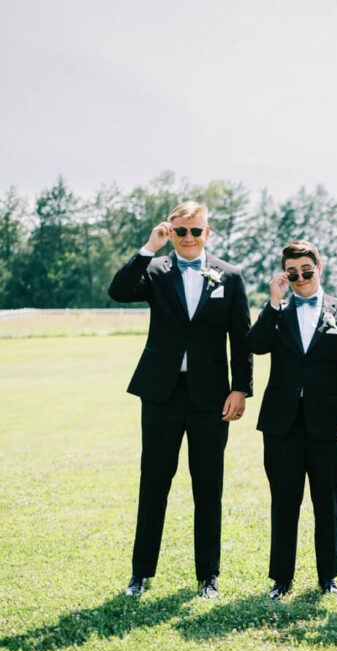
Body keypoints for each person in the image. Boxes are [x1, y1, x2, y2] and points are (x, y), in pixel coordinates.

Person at [108, 201, 252, 598]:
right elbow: (118, 291)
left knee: (208, 485)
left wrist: (240, 388)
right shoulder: (154, 270)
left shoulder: (231, 276)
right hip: (161, 393)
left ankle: (208, 576)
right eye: (181, 231)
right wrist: (148, 248)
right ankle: (140, 574)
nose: (189, 238)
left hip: (211, 397)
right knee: (153, 482)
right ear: (171, 231)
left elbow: (241, 339)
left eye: (196, 230)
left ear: (208, 232)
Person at [245, 240, 337, 599]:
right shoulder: (278, 312)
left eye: (306, 271)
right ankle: (280, 579)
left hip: (331, 425)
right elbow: (254, 345)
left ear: (320, 268)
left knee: (328, 502)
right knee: (284, 502)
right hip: (281, 423)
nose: (299, 278)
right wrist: (273, 302)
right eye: (292, 272)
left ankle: (328, 577)